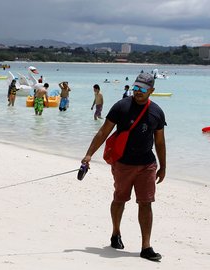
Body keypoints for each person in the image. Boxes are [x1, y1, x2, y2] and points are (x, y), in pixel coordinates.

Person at [81, 73, 166, 262]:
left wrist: (163, 167)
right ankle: (115, 233)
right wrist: (89, 155)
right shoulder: (121, 106)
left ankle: (146, 246)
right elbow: (104, 131)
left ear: (151, 91)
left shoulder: (157, 112)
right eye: (136, 87)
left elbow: (159, 142)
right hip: (123, 164)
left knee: (146, 203)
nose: (138, 92)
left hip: (147, 165)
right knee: (120, 199)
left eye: (143, 89)